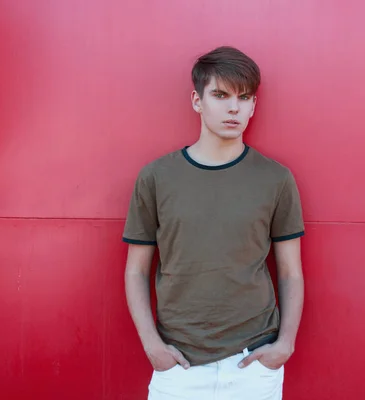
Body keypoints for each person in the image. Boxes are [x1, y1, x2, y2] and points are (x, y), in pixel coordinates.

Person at [123, 45, 305, 400]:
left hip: (252, 363)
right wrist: (152, 346)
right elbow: (135, 270)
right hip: (179, 365)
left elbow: (290, 272)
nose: (233, 107)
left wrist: (284, 345)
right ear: (197, 100)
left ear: (254, 105)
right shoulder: (157, 177)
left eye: (244, 97)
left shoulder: (276, 179)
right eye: (220, 95)